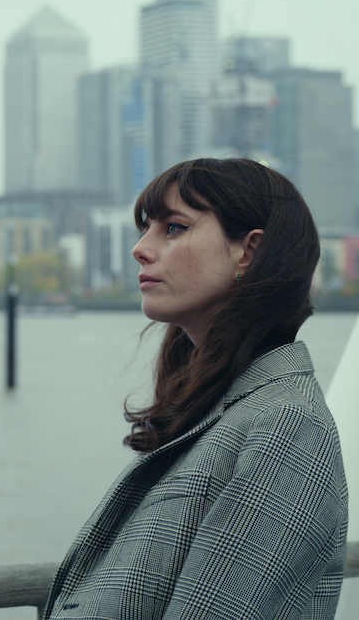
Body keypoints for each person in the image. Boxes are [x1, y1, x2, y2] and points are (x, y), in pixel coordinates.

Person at [43, 158, 348, 619]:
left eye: (174, 228)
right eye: (146, 229)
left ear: (248, 252)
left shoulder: (287, 426)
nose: (140, 250)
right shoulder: (225, 411)